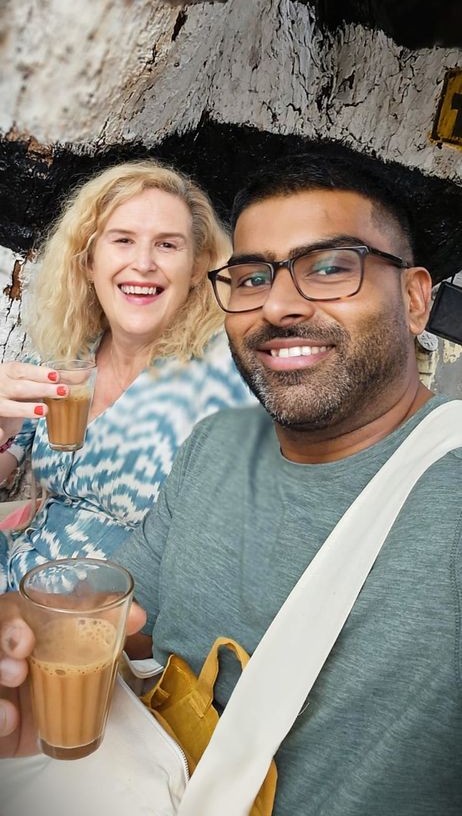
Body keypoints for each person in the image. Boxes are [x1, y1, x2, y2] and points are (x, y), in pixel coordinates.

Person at [1, 145, 461, 814]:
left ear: (415, 298)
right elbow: (125, 617)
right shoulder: (215, 448)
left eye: (331, 268)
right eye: (251, 277)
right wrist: (27, 629)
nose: (278, 304)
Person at [0, 159, 252, 592]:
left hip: (110, 617)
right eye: (123, 240)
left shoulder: (227, 374)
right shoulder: (71, 357)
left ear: (196, 268)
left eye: (167, 246)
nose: (143, 263)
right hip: (17, 577)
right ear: (88, 261)